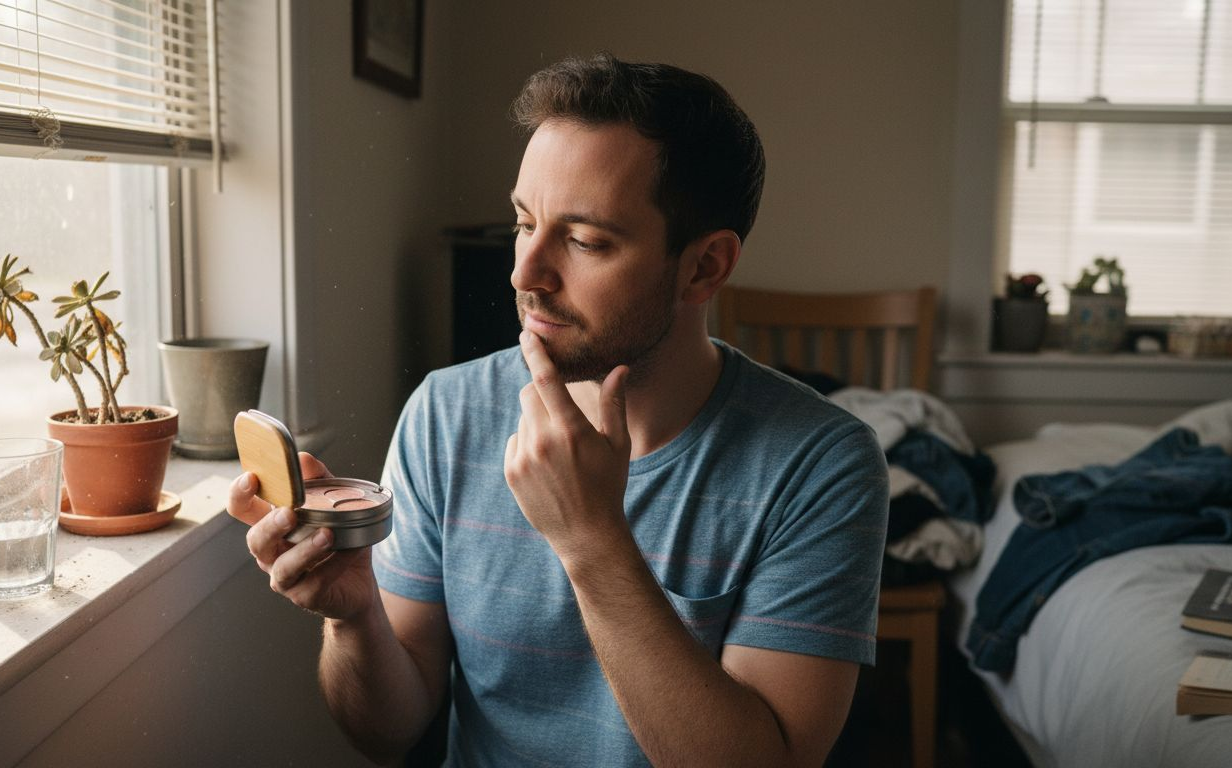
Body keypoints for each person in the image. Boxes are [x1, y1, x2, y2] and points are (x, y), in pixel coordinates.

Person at [229, 53, 888, 766]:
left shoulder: (822, 464)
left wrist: (592, 540)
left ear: (704, 267)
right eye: (524, 222)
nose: (524, 272)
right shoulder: (445, 415)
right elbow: (385, 731)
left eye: (583, 240)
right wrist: (354, 618)